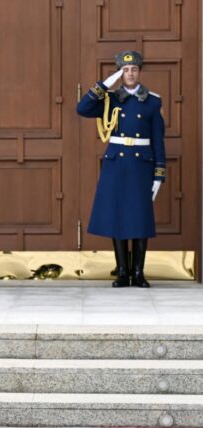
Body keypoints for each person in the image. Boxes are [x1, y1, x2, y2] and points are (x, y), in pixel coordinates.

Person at [77, 50, 165, 288]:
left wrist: (159, 173)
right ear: (119, 73)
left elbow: (158, 140)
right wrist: (106, 84)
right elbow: (82, 108)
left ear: (139, 71)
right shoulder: (111, 99)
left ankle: (138, 273)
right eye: (125, 70)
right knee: (117, 216)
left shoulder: (152, 101)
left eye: (134, 69)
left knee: (140, 218)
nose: (130, 74)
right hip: (116, 164)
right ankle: (123, 272)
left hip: (140, 165)